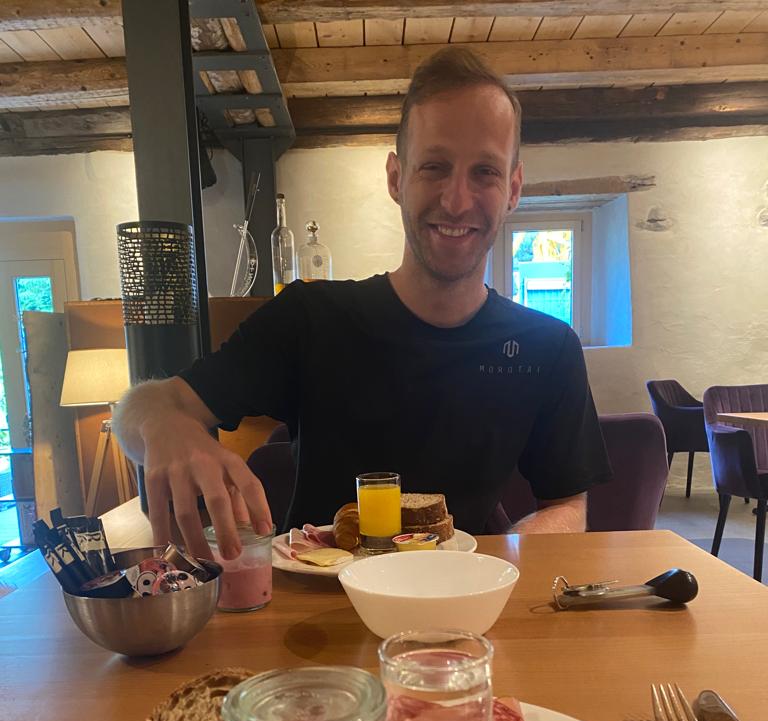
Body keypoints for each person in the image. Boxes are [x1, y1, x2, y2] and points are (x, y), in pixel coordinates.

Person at [114, 47, 611, 562]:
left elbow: (568, 504)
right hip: (318, 604)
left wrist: (501, 561)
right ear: (396, 177)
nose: (457, 200)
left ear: (513, 188)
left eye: (484, 171)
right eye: (434, 167)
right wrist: (162, 426)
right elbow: (142, 408)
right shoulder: (309, 317)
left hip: (469, 599)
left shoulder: (548, 347)